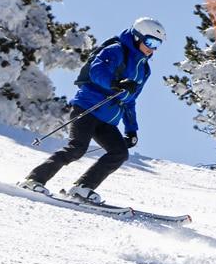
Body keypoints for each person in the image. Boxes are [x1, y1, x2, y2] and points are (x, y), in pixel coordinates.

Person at [21, 17, 163, 204]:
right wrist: (115, 83)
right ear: (137, 37)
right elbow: (97, 72)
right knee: (77, 148)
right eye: (150, 42)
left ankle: (82, 188)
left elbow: (130, 100)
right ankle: (34, 179)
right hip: (88, 107)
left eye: (157, 44)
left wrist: (131, 129)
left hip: (108, 120)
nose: (153, 48)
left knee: (119, 153)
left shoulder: (144, 69)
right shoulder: (116, 50)